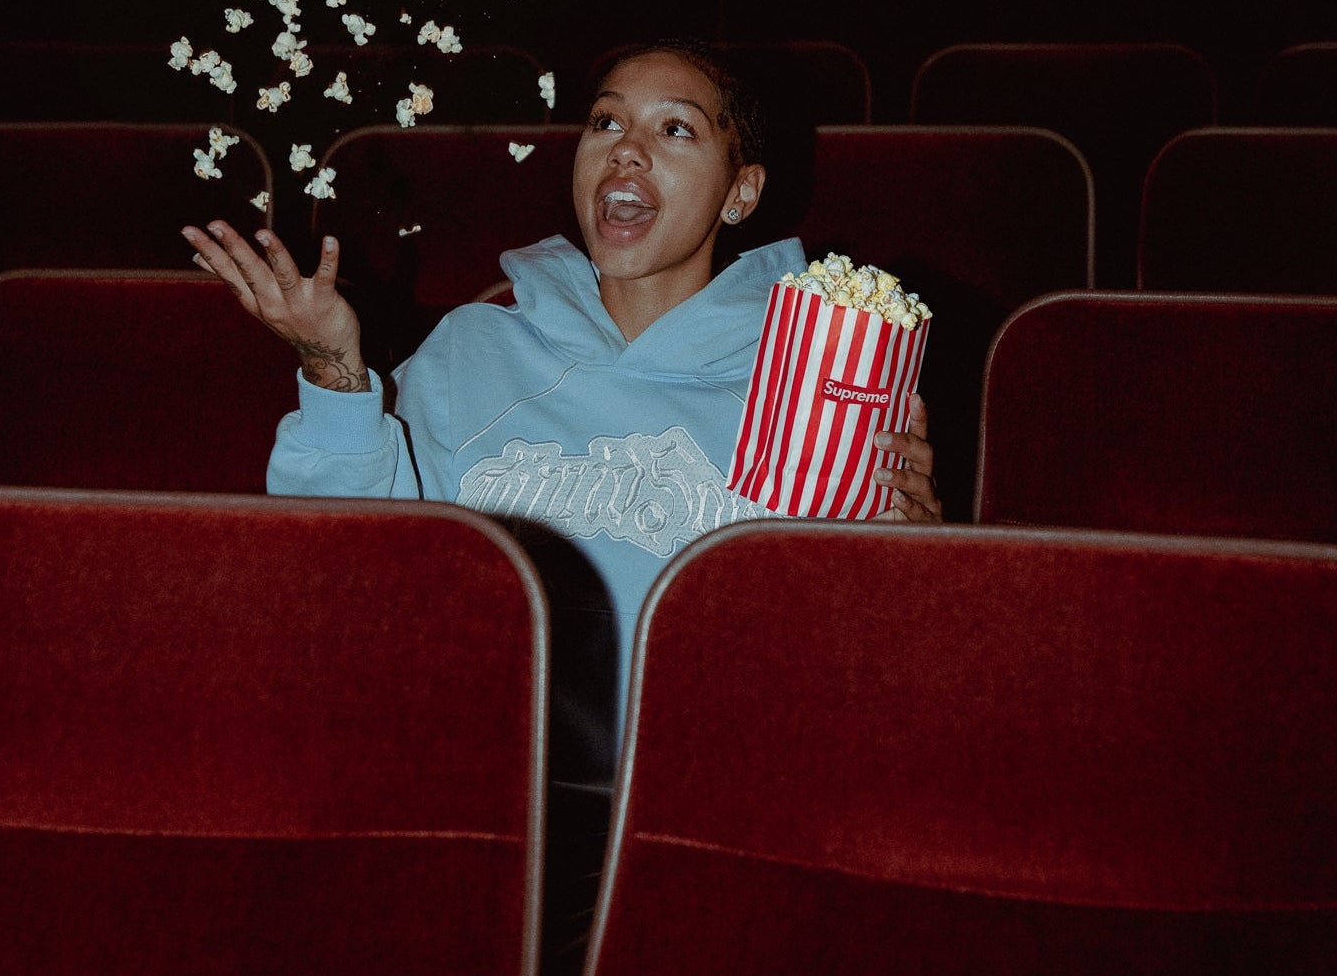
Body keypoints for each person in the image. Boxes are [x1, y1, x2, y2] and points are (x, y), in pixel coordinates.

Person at [182, 45, 941, 787]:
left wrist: (913, 562)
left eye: (675, 130)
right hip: (473, 773)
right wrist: (333, 366)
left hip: (716, 787)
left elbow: (854, 656)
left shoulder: (824, 384)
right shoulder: (472, 349)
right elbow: (350, 569)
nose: (627, 153)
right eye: (605, 124)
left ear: (740, 193)